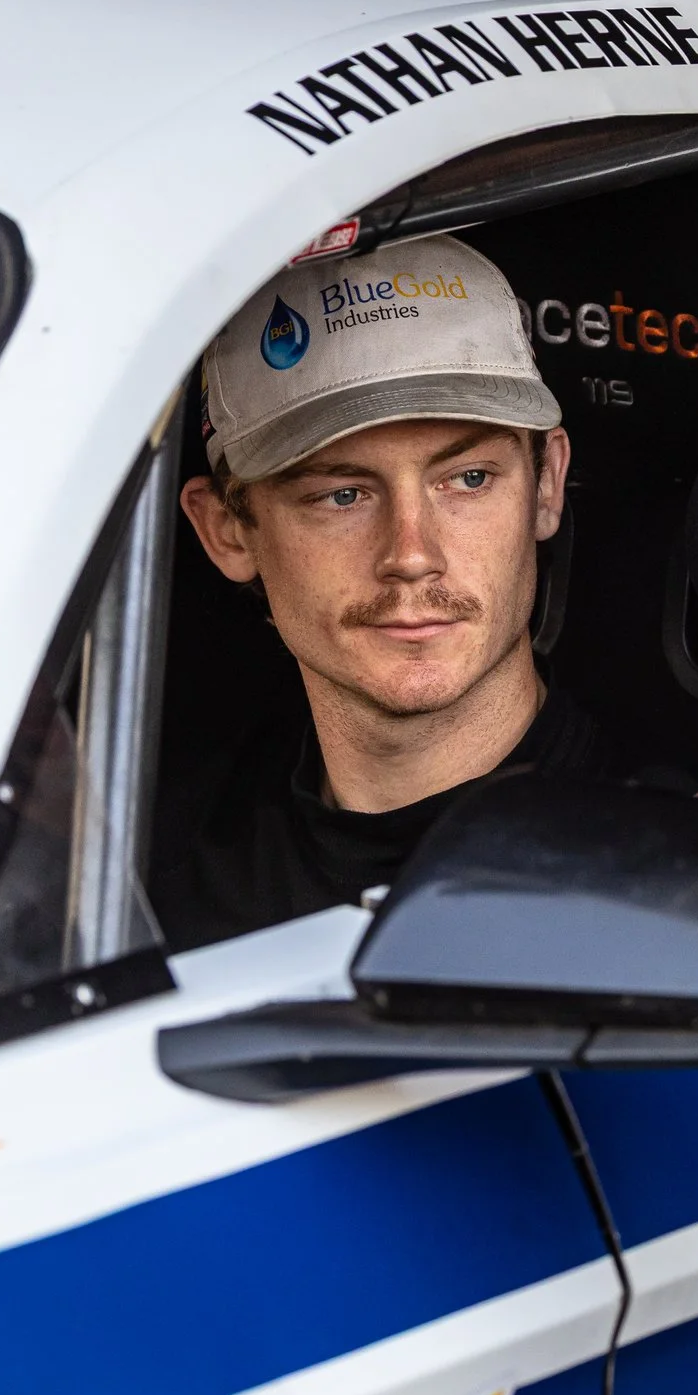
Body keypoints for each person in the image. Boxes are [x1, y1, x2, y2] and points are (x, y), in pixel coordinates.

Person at [162, 234, 616, 943]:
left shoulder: (666, 857)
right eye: (342, 495)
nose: (411, 553)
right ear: (227, 529)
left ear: (546, 485)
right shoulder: (160, 878)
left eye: (468, 479)